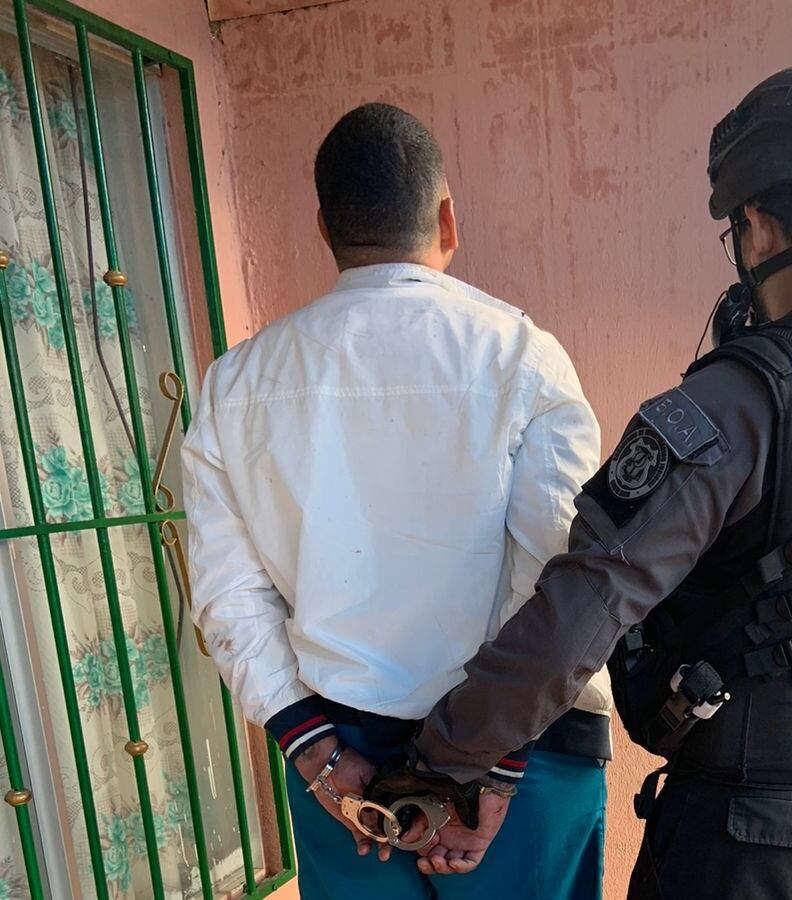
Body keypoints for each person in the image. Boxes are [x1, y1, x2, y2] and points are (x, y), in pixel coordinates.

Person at [407, 60, 792, 899]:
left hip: (752, 853)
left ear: (760, 227)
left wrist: (442, 759)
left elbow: (584, 607)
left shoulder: (739, 401)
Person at [181, 103, 611, 900]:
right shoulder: (524, 358)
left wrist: (316, 754)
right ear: (447, 219)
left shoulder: (235, 384)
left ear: (325, 228)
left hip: (344, 754)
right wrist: (494, 769)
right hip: (524, 750)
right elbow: (564, 575)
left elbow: (227, 595)